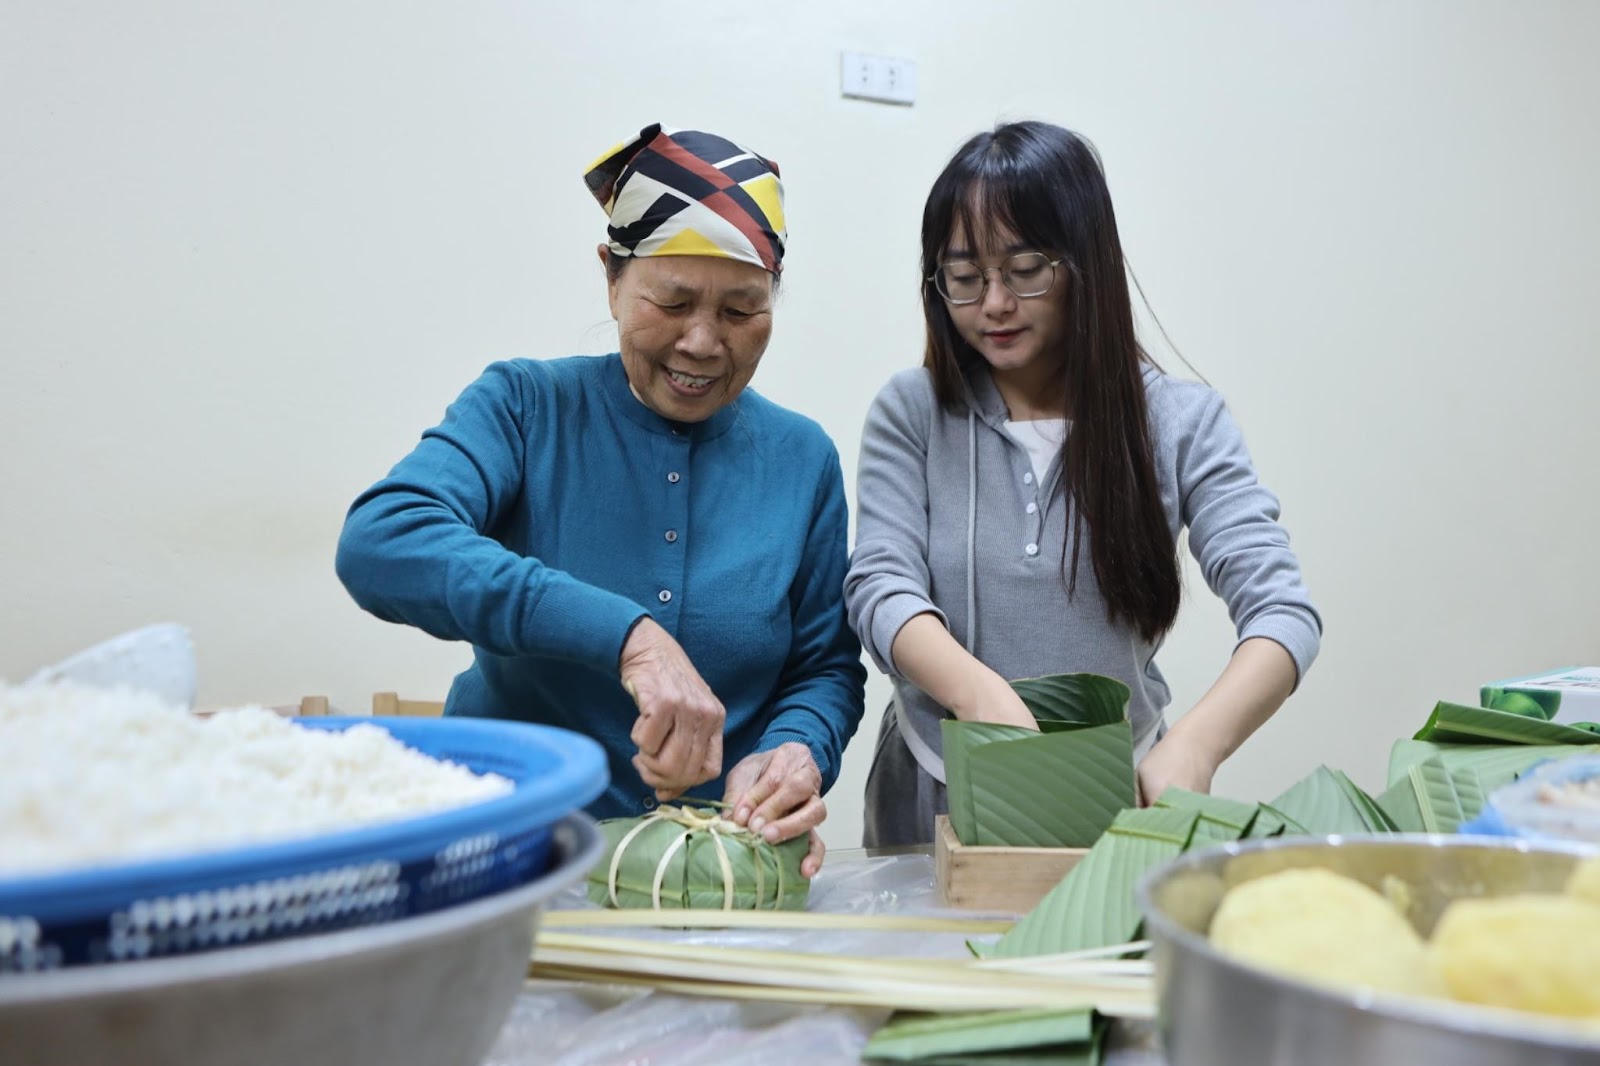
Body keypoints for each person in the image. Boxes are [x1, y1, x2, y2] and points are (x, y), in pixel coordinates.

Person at [337, 124, 865, 874]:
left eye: (741, 311)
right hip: (512, 855)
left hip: (705, 872)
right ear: (612, 281)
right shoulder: (527, 406)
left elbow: (824, 668)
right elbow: (383, 541)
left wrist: (796, 749)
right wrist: (629, 637)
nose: (703, 342)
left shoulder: (801, 458)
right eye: (673, 301)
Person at [844, 121, 1322, 847]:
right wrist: (979, 697)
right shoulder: (913, 411)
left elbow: (1283, 614)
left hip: (1111, 788)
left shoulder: (1183, 421)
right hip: (934, 783)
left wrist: (1196, 745)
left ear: (1085, 264)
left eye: (1024, 270)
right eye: (965, 278)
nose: (994, 304)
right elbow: (880, 585)